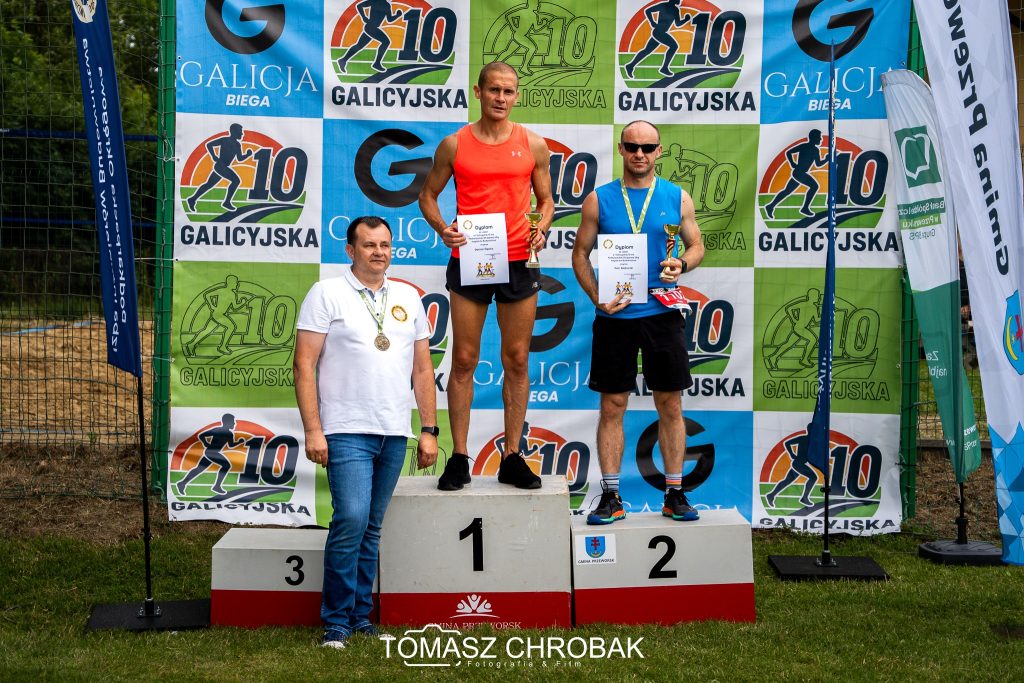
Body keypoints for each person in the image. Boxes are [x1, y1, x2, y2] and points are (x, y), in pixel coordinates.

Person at [293, 216, 438, 649]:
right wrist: (313, 429)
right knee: (351, 520)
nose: (379, 252)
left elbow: (423, 369)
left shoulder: (408, 297)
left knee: (371, 527)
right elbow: (303, 364)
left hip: (393, 431)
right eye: (369, 245)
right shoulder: (326, 293)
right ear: (350, 250)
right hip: (345, 429)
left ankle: (360, 618)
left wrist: (428, 429)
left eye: (385, 245)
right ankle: (335, 622)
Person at [418, 62, 554, 491]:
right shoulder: (454, 144)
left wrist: (542, 227)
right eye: (494, 89)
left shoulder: (533, 144)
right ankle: (460, 456)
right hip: (471, 256)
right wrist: (443, 229)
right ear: (478, 92)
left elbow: (547, 201)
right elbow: (427, 195)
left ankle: (511, 456)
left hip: (519, 260)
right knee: (463, 359)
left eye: (508, 91)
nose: (501, 97)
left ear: (517, 96)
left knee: (517, 359)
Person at [572, 120, 705, 525]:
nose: (640, 154)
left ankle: (675, 493)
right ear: (621, 149)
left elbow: (697, 245)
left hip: (662, 313)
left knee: (670, 403)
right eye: (632, 146)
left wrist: (681, 264)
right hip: (615, 317)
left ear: (659, 151)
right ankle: (611, 495)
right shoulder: (598, 199)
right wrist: (596, 296)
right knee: (612, 405)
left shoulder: (677, 197)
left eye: (647, 147)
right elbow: (580, 254)